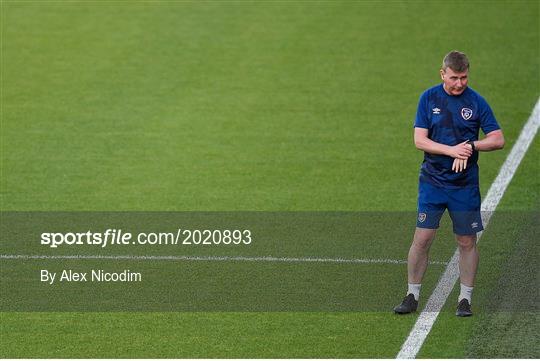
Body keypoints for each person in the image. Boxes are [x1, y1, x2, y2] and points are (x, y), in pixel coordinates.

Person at [394, 50, 505, 317]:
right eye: (454, 77)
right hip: (432, 182)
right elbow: (419, 140)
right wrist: (452, 150)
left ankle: (465, 299)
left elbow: (498, 139)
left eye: (464, 77)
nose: (459, 83)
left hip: (464, 186)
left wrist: (470, 145)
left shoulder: (476, 102)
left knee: (466, 241)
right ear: (442, 73)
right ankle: (412, 294)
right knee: (422, 237)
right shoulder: (428, 98)